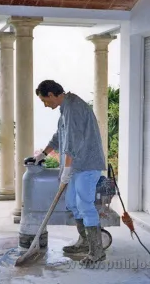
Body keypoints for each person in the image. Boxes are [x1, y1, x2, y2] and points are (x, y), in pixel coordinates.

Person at [34, 80, 106, 265]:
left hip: (86, 165)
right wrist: (43, 154)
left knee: (85, 205)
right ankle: (84, 242)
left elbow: (72, 143)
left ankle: (97, 252)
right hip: (76, 166)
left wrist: (66, 169)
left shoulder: (74, 107)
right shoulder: (65, 109)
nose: (45, 104)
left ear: (51, 94)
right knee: (73, 203)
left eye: (44, 100)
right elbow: (60, 136)